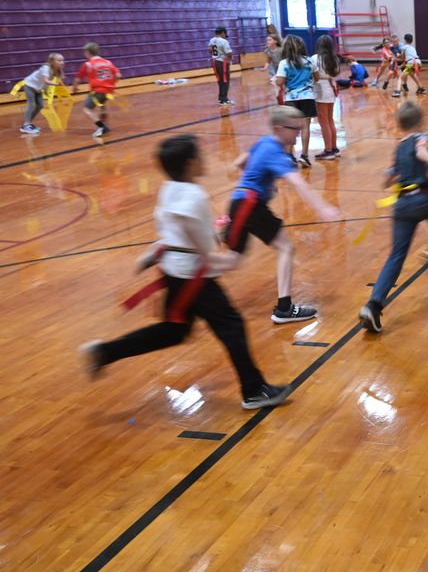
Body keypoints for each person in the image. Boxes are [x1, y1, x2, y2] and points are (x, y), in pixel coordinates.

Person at [79, 135, 290, 409]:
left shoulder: (169, 187)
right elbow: (203, 246)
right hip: (192, 276)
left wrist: (157, 252)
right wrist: (225, 259)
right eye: (201, 156)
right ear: (191, 164)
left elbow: (175, 230)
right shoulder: (195, 197)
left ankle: (104, 352)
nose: (205, 160)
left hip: (175, 269)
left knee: (174, 331)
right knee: (231, 326)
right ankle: (254, 390)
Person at [225, 106, 342, 324]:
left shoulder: (264, 142)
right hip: (250, 205)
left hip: (243, 203)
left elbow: (238, 164)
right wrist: (322, 208)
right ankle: (284, 309)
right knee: (285, 248)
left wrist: (261, 181)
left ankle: (184, 276)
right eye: (294, 128)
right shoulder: (276, 151)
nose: (299, 132)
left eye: (300, 127)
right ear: (278, 129)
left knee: (232, 259)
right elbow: (297, 182)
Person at [359, 102, 428, 333]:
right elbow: (421, 150)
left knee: (396, 256)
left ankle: (372, 305)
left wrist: (392, 178)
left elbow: (389, 177)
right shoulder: (421, 138)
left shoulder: (398, 147)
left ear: (399, 123)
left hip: (402, 205)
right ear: (420, 121)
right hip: (422, 200)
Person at [275, 35, 318, 167]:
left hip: (291, 99)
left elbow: (280, 82)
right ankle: (304, 156)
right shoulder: (310, 61)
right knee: (306, 127)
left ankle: (289, 156)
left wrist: (279, 81)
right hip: (308, 97)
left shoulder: (284, 63)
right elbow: (316, 78)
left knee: (290, 128)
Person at [72, 42, 121, 138]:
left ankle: (102, 127)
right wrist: (111, 84)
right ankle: (103, 115)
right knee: (101, 103)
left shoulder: (88, 64)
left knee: (87, 109)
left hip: (97, 90)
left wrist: (74, 88)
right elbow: (118, 75)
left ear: (87, 52)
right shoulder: (108, 62)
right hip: (109, 91)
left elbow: (77, 79)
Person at [17, 52, 65, 135]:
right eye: (59, 60)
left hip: (38, 89)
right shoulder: (46, 68)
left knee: (40, 105)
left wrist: (45, 90)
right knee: (31, 104)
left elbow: (46, 82)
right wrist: (56, 84)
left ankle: (28, 124)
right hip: (30, 85)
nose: (62, 62)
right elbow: (46, 80)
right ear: (52, 61)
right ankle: (26, 125)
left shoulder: (56, 70)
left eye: (63, 60)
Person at [311, 35, 341, 160]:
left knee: (323, 122)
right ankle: (334, 148)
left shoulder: (315, 58)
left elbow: (313, 74)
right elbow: (336, 73)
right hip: (330, 87)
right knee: (330, 120)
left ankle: (328, 150)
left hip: (320, 88)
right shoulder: (334, 59)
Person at [209, 26, 234, 106]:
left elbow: (209, 50)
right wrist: (230, 59)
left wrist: (215, 55)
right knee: (225, 80)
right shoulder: (224, 41)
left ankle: (221, 98)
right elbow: (229, 53)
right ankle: (224, 99)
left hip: (214, 62)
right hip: (222, 62)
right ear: (223, 33)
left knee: (220, 80)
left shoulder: (212, 40)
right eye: (225, 34)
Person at [264, 32, 283, 105]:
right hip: (277, 71)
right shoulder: (268, 50)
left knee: (280, 85)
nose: (267, 42)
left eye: (269, 40)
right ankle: (280, 101)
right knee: (277, 87)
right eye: (267, 40)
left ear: (275, 41)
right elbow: (268, 60)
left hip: (283, 71)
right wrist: (265, 66)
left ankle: (283, 100)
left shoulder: (280, 50)